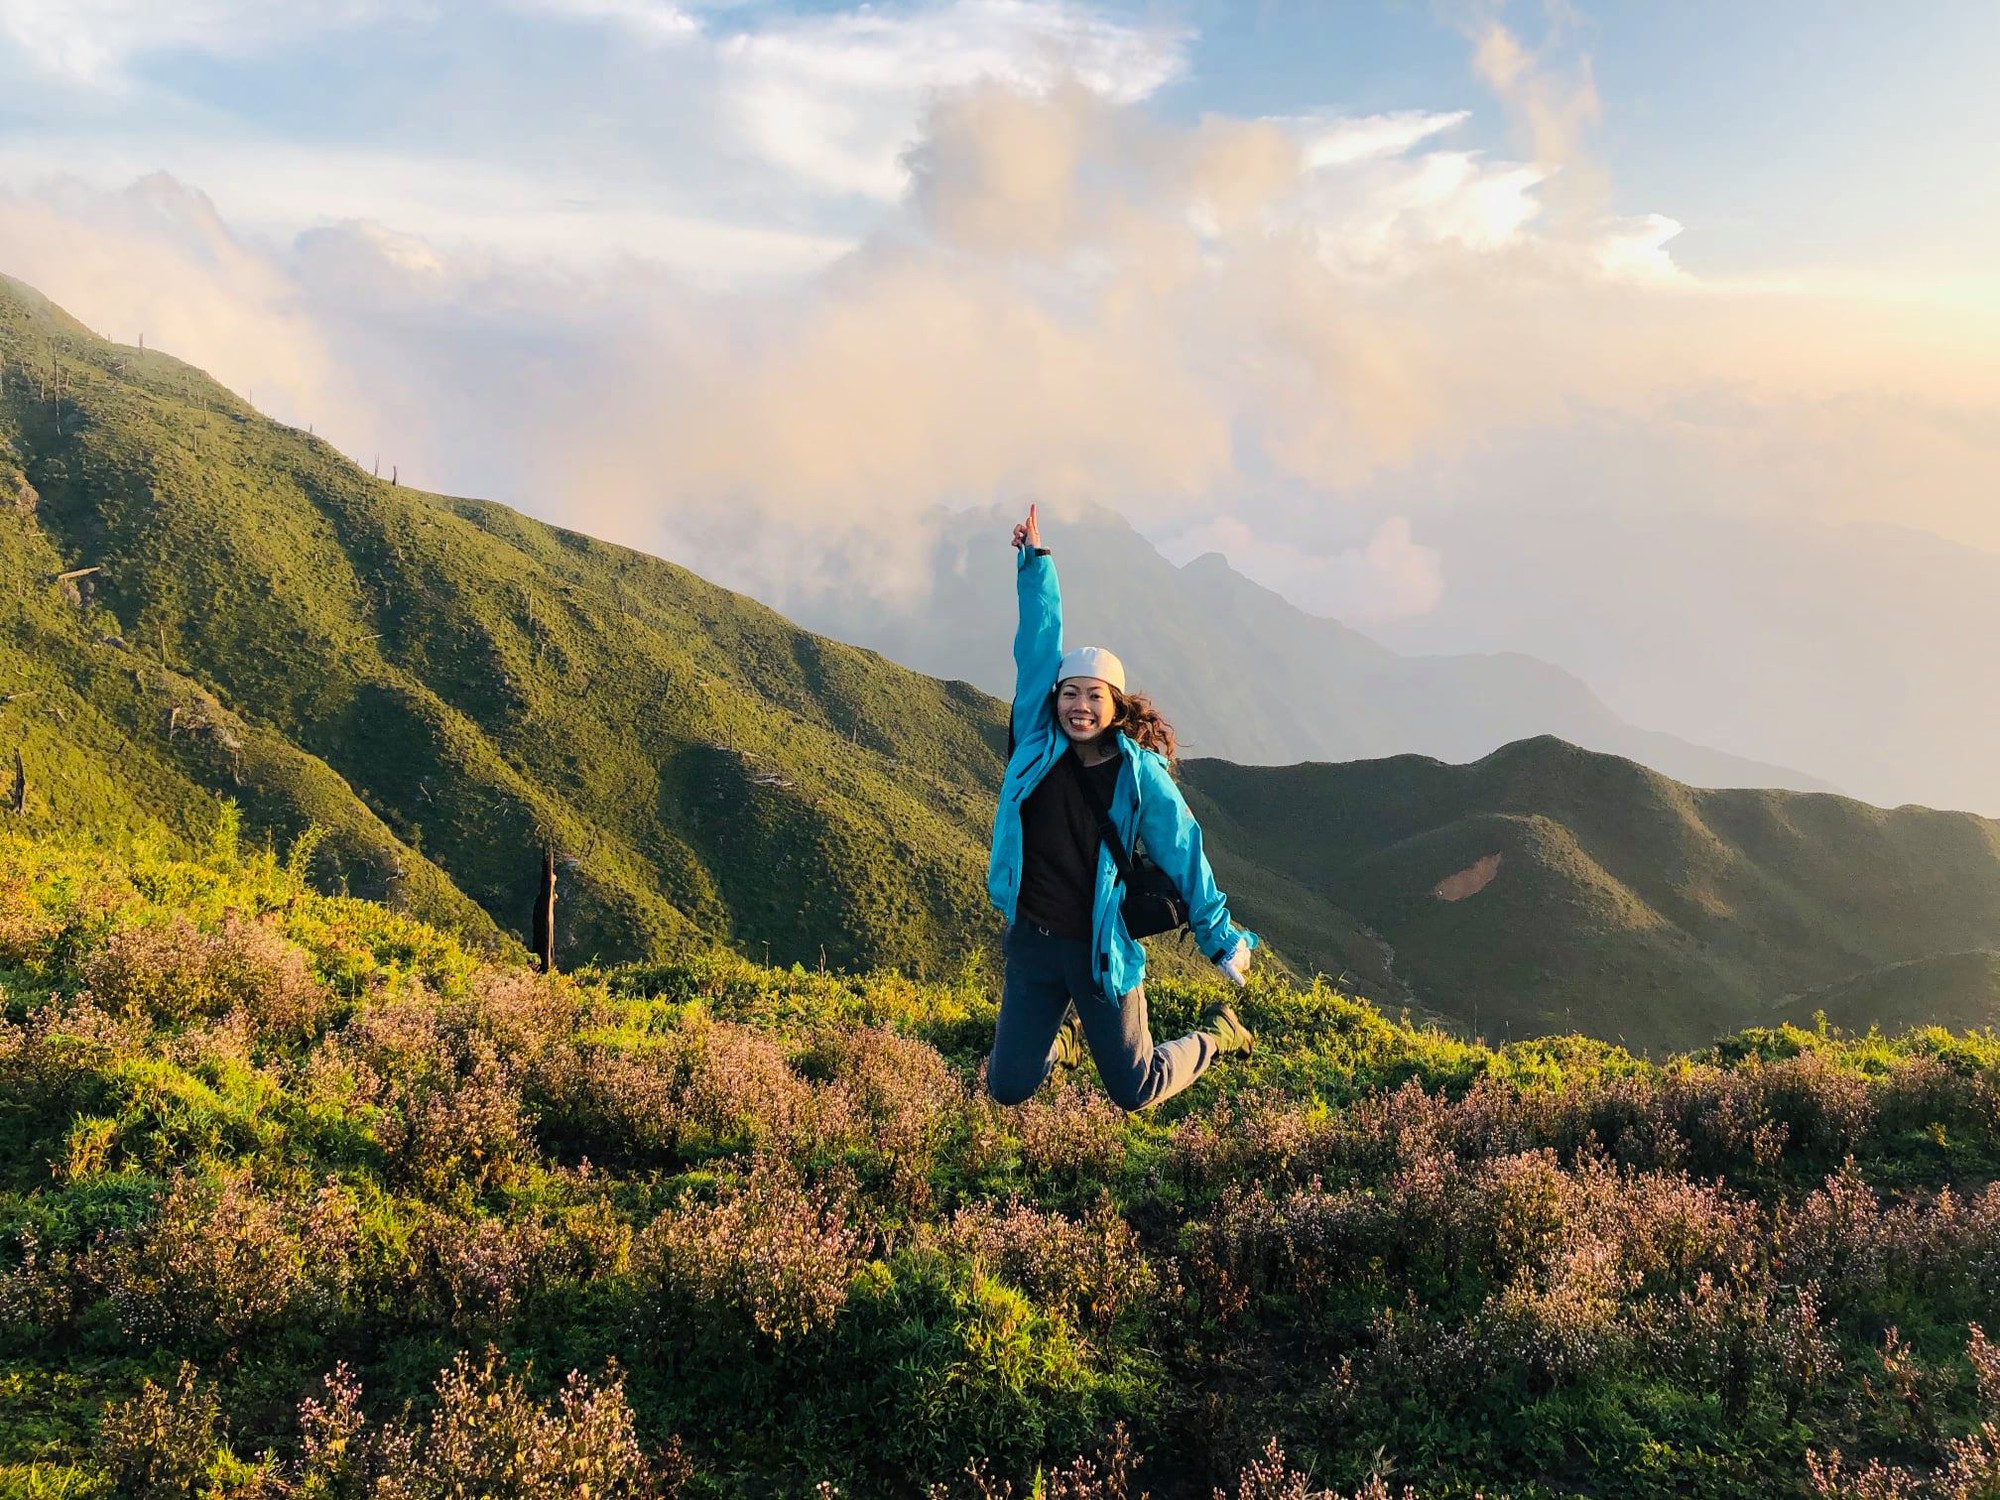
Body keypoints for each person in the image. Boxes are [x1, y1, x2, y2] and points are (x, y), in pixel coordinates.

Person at [985, 503, 1258, 1111]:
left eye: (1094, 697)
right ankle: (1063, 1039)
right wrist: (1035, 566)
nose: (1079, 706)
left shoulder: (1140, 778)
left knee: (1135, 1090)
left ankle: (1218, 1034)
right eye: (1070, 694)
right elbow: (1035, 648)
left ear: (1115, 707)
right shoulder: (1035, 744)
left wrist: (1221, 939)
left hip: (1097, 948)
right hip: (1033, 941)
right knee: (1006, 1087)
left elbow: (1186, 853)